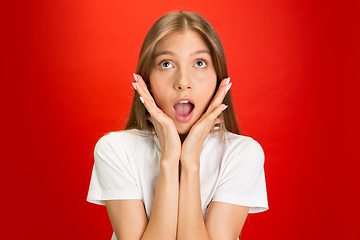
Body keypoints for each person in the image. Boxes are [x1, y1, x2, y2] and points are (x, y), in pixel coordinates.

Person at [87, 11, 268, 240]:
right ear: (147, 80)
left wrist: (190, 161)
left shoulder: (242, 153)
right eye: (166, 64)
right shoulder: (115, 149)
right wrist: (169, 160)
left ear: (218, 78)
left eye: (199, 63)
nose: (183, 82)